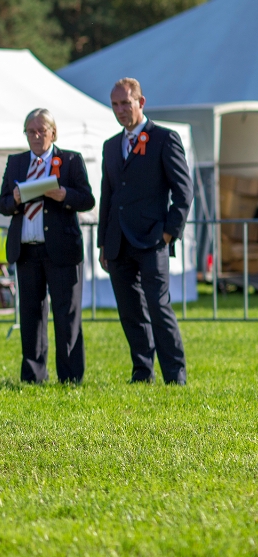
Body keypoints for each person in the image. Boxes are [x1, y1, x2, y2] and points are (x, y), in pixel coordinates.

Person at [98, 78, 192, 385]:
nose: (120, 110)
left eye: (126, 103)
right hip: (118, 242)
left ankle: (175, 376)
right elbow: (108, 196)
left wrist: (168, 233)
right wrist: (103, 243)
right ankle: (142, 371)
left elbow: (183, 192)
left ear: (141, 102)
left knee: (158, 307)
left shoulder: (165, 138)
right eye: (115, 104)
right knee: (129, 312)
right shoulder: (111, 146)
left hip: (153, 240)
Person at [0, 109, 95, 383]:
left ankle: (71, 376)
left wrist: (64, 195)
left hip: (62, 250)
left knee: (67, 315)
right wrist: (15, 198)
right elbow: (2, 204)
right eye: (31, 131)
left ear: (53, 132)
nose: (37, 136)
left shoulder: (70, 160)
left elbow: (87, 199)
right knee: (30, 315)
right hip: (27, 250)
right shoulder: (16, 163)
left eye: (42, 130)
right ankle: (33, 376)